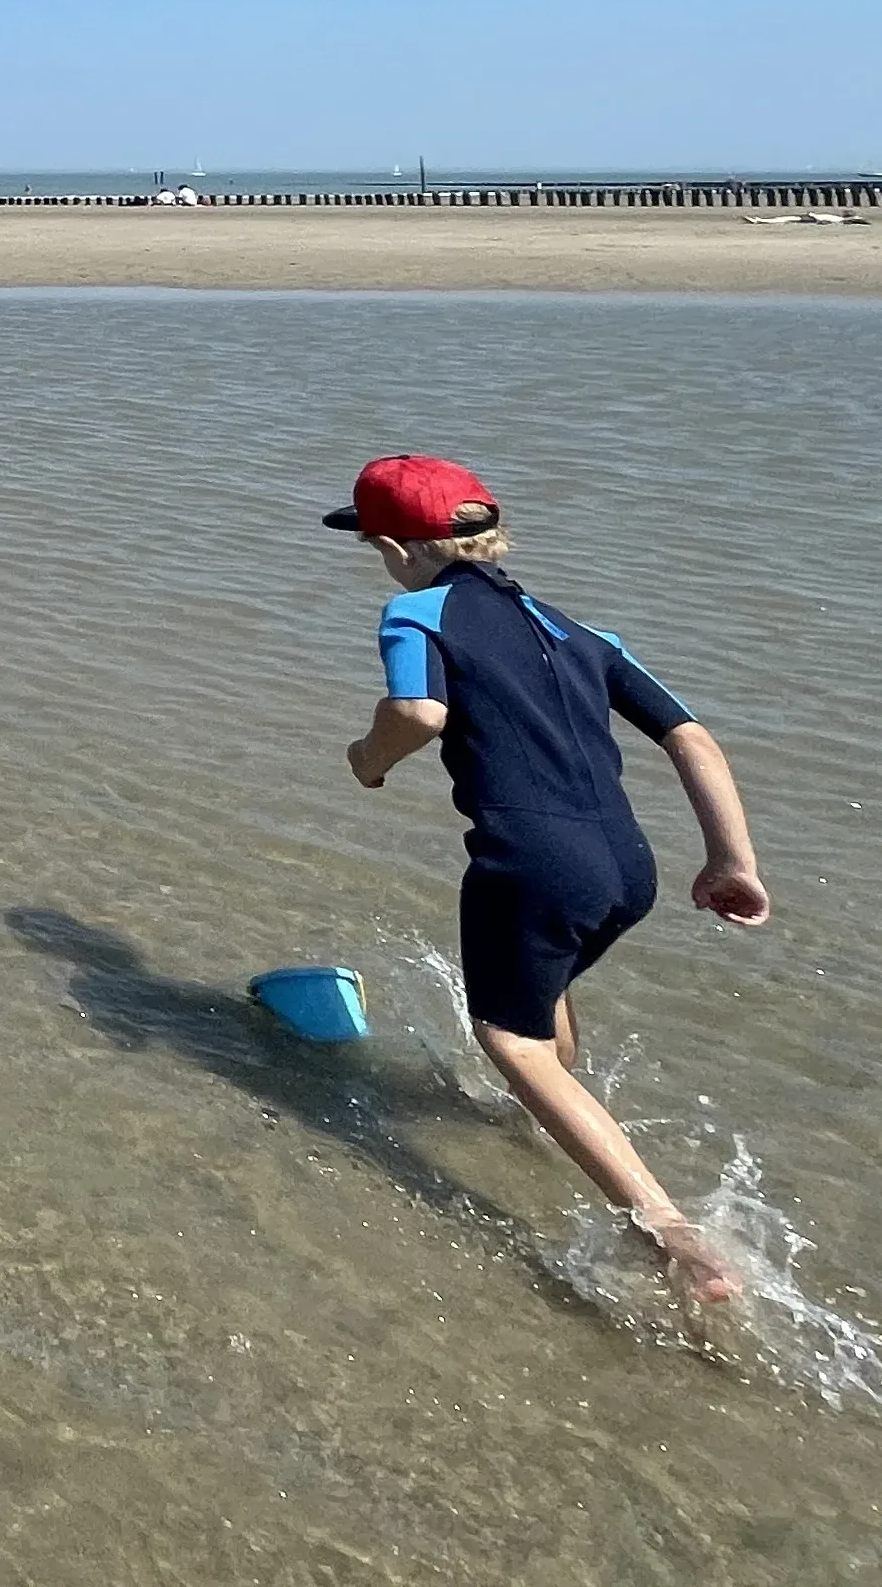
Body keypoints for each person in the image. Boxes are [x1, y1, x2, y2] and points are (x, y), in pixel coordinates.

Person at [330, 454, 771, 1301]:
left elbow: (419, 712)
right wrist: (731, 861)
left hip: (530, 862)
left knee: (510, 1041)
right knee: (543, 996)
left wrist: (367, 759)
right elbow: (691, 737)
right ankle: (534, 1123)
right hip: (626, 867)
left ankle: (670, 1234)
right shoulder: (583, 633)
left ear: (393, 547)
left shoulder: (414, 611)